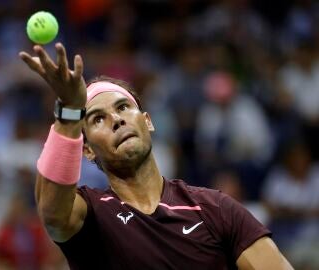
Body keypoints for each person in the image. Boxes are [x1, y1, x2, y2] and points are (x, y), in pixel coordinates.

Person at [19, 43, 293, 270]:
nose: (116, 120)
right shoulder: (91, 214)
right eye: (98, 119)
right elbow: (53, 214)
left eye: (124, 107)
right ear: (87, 149)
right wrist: (69, 112)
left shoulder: (215, 209)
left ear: (147, 121)